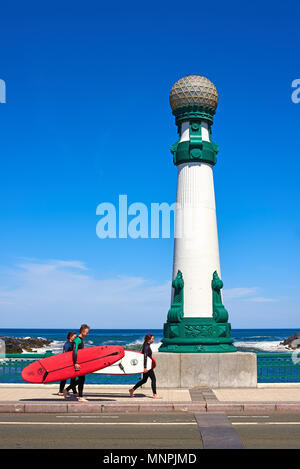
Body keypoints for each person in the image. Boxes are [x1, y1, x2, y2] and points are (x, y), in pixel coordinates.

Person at [129, 334, 161, 399]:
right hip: (148, 367)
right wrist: (145, 367)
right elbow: (145, 357)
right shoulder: (146, 346)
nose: (153, 340)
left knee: (144, 380)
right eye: (152, 339)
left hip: (148, 366)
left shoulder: (146, 345)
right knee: (153, 379)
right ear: (149, 340)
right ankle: (155, 395)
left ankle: (132, 390)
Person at [71, 324, 90, 402]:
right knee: (81, 379)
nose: (87, 334)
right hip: (77, 363)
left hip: (80, 362)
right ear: (82, 332)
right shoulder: (77, 340)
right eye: (86, 332)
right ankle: (80, 397)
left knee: (82, 379)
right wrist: (75, 362)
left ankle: (68, 390)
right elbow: (74, 351)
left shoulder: (80, 339)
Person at [57, 331, 78, 397]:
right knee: (64, 378)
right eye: (74, 337)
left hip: (72, 363)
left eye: (75, 337)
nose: (75, 338)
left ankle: (74, 392)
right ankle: (60, 391)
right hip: (66, 363)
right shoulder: (67, 344)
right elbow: (65, 354)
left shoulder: (73, 344)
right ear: (70, 337)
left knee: (73, 378)